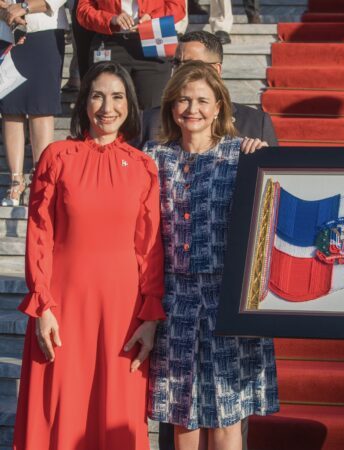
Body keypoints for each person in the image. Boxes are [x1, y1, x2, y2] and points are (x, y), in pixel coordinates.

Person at [12, 61, 165, 450]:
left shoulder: (145, 167)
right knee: (61, 408)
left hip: (121, 312)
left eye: (117, 96)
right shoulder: (57, 157)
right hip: (63, 306)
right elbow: (40, 234)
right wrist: (42, 305)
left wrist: (150, 316)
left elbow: (148, 246)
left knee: (116, 412)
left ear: (130, 104)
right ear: (84, 103)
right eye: (97, 95)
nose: (107, 106)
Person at [145, 60, 279, 450]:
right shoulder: (152, 158)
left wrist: (265, 162)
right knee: (182, 416)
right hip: (175, 301)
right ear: (171, 108)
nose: (193, 109)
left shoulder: (243, 154)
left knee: (226, 416)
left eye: (203, 100)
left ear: (219, 106)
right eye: (183, 100)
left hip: (229, 300)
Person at [138, 30, 278, 149]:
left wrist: (264, 159)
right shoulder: (149, 120)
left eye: (190, 64)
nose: (180, 70)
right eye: (176, 63)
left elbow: (275, 178)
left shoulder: (255, 123)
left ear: (216, 69)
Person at [0, 0, 68, 206]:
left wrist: (26, 7)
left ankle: (41, 177)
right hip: (5, 29)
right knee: (10, 107)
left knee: (42, 106)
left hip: (44, 29)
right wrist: (5, 10)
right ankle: (16, 179)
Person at [76, 0, 186, 110]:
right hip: (111, 40)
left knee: (153, 109)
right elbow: (83, 10)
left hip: (154, 35)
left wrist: (152, 17)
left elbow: (178, 7)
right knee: (109, 105)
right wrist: (110, 18)